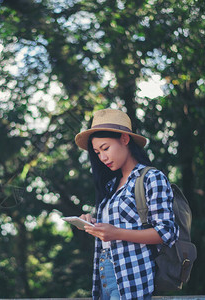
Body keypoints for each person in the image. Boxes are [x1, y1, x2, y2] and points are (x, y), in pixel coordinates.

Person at [74, 108, 178, 300]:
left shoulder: (151, 178)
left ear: (124, 139)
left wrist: (116, 233)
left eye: (105, 148)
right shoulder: (111, 185)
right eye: (97, 152)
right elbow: (119, 224)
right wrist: (92, 223)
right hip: (105, 273)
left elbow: (166, 232)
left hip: (132, 277)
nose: (102, 157)